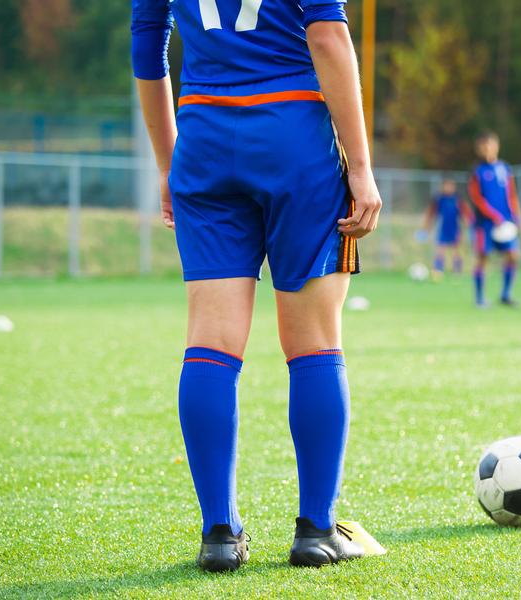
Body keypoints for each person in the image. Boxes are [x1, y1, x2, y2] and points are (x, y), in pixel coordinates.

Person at [131, 0, 382, 570]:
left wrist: (170, 163)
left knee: (211, 341)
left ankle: (220, 532)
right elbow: (327, 39)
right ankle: (316, 529)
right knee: (315, 342)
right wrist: (362, 168)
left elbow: (147, 48)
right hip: (293, 136)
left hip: (205, 142)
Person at [467, 131, 521, 308]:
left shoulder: (505, 168)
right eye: (483, 146)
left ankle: (506, 294)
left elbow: (512, 194)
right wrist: (493, 215)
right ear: (478, 149)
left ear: (496, 146)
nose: (487, 149)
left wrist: (516, 216)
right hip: (485, 223)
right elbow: (476, 198)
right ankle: (480, 298)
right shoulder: (477, 171)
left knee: (513, 256)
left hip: (506, 221)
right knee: (483, 257)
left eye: (489, 144)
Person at [421, 179, 472, 278]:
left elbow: (465, 214)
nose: (448, 188)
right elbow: (431, 213)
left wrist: (469, 225)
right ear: (443, 187)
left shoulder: (457, 199)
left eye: (450, 186)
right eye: (446, 186)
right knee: (440, 250)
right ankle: (438, 271)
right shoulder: (439, 199)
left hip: (455, 228)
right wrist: (426, 228)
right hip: (443, 228)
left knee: (456, 250)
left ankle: (457, 272)